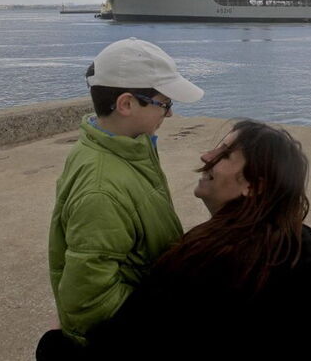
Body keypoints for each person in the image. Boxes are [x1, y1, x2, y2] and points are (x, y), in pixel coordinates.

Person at [86, 120, 311, 360]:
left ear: (254, 185)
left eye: (226, 154)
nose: (206, 156)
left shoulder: (204, 259)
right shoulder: (303, 245)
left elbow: (123, 342)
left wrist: (56, 341)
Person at [37, 38, 205, 358]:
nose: (169, 114)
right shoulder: (101, 189)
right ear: (126, 104)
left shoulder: (122, 147)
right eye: (165, 103)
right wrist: (160, 322)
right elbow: (88, 300)